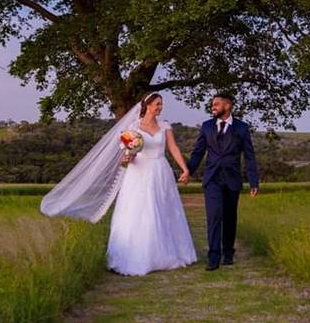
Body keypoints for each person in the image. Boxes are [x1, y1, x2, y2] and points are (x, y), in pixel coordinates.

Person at [39, 93, 197, 276]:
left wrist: (184, 169)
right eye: (157, 104)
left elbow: (173, 148)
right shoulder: (133, 127)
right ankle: (139, 254)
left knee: (163, 209)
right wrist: (128, 156)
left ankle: (167, 252)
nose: (160, 108)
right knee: (141, 210)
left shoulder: (165, 126)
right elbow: (128, 155)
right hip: (140, 172)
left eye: (161, 104)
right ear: (147, 106)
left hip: (161, 171)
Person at [186, 92, 260, 270]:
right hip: (212, 179)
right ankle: (213, 257)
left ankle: (228, 252)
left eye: (217, 104)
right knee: (214, 216)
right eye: (213, 104)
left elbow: (249, 157)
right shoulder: (207, 127)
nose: (213, 107)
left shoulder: (242, 128)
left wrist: (253, 181)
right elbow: (198, 152)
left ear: (228, 106)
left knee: (229, 217)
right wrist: (188, 171)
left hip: (232, 179)